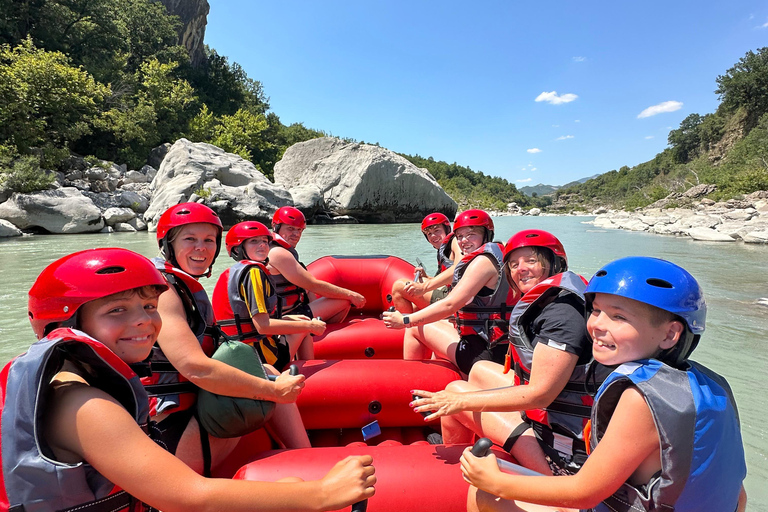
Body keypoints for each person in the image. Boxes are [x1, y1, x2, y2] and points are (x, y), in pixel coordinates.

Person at [1, 248, 375, 512]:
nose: (144, 321)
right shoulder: (83, 404)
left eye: (149, 306)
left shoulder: (71, 381)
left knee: (286, 487)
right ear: (67, 324)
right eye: (117, 310)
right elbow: (189, 497)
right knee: (294, 493)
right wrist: (322, 494)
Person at [461, 256, 747, 512]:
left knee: (484, 496)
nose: (597, 324)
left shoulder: (641, 398)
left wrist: (494, 481)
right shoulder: (712, 385)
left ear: (670, 334)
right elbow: (739, 496)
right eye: (596, 311)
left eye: (619, 316)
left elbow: (582, 493)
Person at [411, 230, 605, 476]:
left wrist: (459, 402)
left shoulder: (563, 315)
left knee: (455, 393)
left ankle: (452, 473)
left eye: (531, 261)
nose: (520, 269)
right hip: (552, 413)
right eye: (514, 264)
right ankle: (460, 442)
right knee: (480, 370)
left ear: (554, 264)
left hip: (564, 453)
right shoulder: (551, 301)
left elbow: (541, 395)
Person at [150, 202, 308, 476]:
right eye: (190, 239)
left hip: (185, 417)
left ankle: (305, 458)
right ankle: (310, 464)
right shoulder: (164, 292)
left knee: (268, 371)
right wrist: (272, 391)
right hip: (171, 435)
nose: (201, 248)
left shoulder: (183, 286)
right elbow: (194, 367)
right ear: (168, 245)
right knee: (270, 379)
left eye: (208, 240)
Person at [383, 209, 515, 376]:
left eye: (471, 234)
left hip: (483, 353)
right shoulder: (500, 255)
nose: (463, 241)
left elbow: (450, 304)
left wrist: (405, 320)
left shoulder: (482, 262)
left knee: (415, 328)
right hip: (497, 345)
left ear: (486, 235)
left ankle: (410, 381)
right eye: (459, 236)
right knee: (431, 323)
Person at [213, 221, 325, 365]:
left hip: (236, 351)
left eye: (265, 241)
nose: (262, 245)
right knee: (304, 328)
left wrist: (290, 319)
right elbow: (263, 326)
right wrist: (310, 326)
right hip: (257, 356)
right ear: (237, 249)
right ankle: (310, 373)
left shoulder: (236, 271)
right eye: (254, 241)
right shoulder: (254, 273)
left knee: (302, 321)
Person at [268, 206, 365, 324]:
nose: (296, 234)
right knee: (344, 300)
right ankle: (321, 337)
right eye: (290, 228)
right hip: (284, 317)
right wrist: (351, 294)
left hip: (287, 312)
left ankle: (319, 333)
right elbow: (313, 285)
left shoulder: (275, 249)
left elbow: (307, 289)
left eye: (299, 230)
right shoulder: (278, 253)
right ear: (276, 226)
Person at [390, 212, 461, 313]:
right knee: (420, 283)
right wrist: (427, 277)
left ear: (447, 230)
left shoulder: (455, 241)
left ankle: (403, 324)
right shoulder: (444, 249)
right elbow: (447, 280)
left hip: (453, 298)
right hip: (451, 293)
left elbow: (459, 269)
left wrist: (424, 287)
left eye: (437, 231)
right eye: (429, 234)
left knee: (399, 286)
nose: (433, 236)